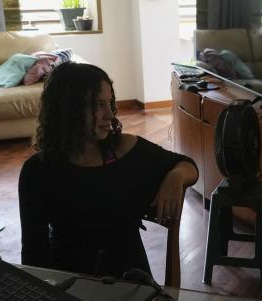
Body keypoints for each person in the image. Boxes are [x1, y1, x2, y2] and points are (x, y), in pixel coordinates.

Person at [19, 62, 198, 278]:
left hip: (130, 283)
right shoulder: (37, 172)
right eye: (98, 105)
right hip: (71, 287)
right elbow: (33, 258)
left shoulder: (125, 151)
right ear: (69, 108)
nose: (110, 115)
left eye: (110, 103)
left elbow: (188, 165)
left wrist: (175, 176)